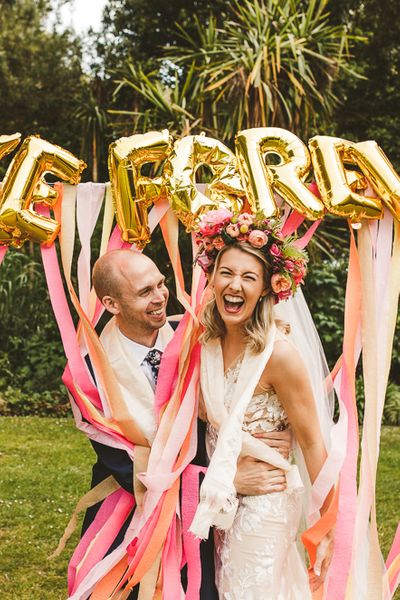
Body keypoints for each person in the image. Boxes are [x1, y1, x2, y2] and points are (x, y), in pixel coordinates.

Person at [80, 248, 292, 599]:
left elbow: (254, 378)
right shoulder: (89, 376)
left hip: (197, 527)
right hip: (130, 516)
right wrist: (227, 480)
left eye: (161, 284)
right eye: (144, 292)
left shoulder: (198, 336)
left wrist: (274, 431)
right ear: (112, 304)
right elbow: (131, 469)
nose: (161, 296)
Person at [189, 209, 335, 599]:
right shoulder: (205, 342)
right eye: (226, 272)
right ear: (212, 277)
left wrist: (327, 525)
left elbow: (313, 442)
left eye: (248, 277)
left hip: (265, 502)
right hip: (224, 496)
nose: (234, 284)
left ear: (269, 289)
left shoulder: (280, 355)